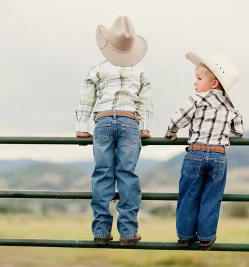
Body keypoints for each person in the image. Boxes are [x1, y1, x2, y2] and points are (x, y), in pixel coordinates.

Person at [75, 16, 153, 246]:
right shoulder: (140, 73)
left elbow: (85, 99)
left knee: (102, 173)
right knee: (127, 175)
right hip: (130, 122)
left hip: (104, 122)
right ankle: (128, 232)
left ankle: (101, 230)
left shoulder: (97, 70)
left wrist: (82, 128)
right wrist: (145, 128)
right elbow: (145, 104)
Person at [165, 51, 244, 251]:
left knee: (188, 195)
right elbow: (239, 131)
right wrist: (222, 135)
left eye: (199, 78)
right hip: (219, 156)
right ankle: (206, 237)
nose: (195, 83)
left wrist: (171, 132)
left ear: (214, 83)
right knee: (211, 197)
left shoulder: (197, 100)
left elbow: (177, 120)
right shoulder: (231, 107)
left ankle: (185, 236)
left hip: (196, 153)